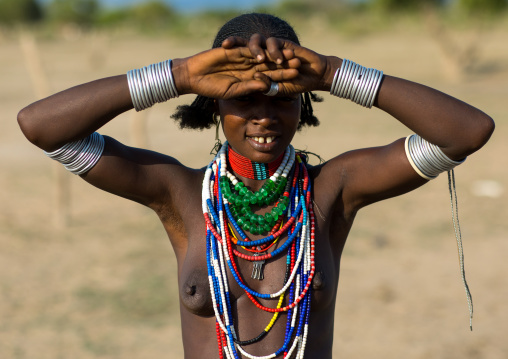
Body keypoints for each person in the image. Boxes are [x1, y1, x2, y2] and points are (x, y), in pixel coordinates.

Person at [17, 12, 493, 359]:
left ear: (303, 105)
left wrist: (332, 72)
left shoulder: (333, 189)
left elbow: (466, 132)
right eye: (242, 99)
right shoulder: (179, 194)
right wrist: (179, 76)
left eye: (282, 99)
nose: (264, 116)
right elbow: (41, 127)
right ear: (213, 107)